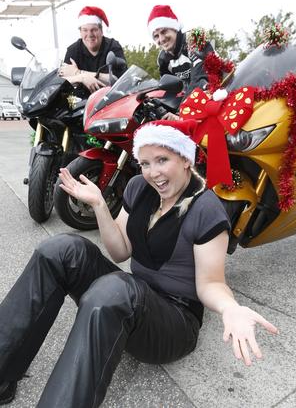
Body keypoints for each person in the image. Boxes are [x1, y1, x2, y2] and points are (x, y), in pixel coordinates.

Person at [0, 119, 278, 407]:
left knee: (115, 288)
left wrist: (230, 308)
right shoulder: (138, 188)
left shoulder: (207, 208)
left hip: (174, 322)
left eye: (162, 160)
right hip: (130, 299)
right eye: (145, 163)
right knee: (59, 248)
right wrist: (98, 206)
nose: (153, 173)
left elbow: (212, 284)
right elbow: (120, 251)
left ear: (185, 159)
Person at [147, 5, 215, 120]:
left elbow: (200, 79)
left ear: (175, 28)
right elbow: (169, 91)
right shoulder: (163, 59)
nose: (161, 39)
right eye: (156, 36)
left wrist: (180, 114)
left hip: (219, 92)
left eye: (164, 31)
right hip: (194, 103)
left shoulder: (194, 39)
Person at [58, 6, 127, 93]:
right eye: (85, 30)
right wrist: (83, 78)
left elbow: (119, 80)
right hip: (81, 103)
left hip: (110, 99)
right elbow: (63, 81)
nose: (90, 34)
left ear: (101, 31)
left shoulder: (113, 46)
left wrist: (79, 73)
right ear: (80, 32)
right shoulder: (73, 50)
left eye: (94, 30)